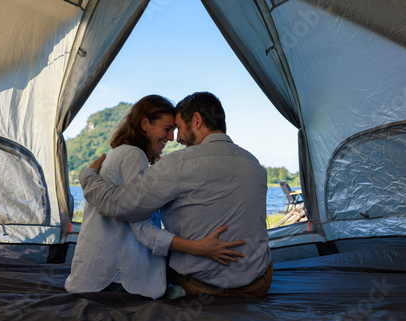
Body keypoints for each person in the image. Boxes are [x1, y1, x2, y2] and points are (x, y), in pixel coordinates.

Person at [83, 92, 273, 298]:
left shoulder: (180, 163)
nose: (177, 138)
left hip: (204, 286)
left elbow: (119, 205)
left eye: (179, 128)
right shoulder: (255, 165)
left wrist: (88, 176)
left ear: (197, 120)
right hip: (258, 283)